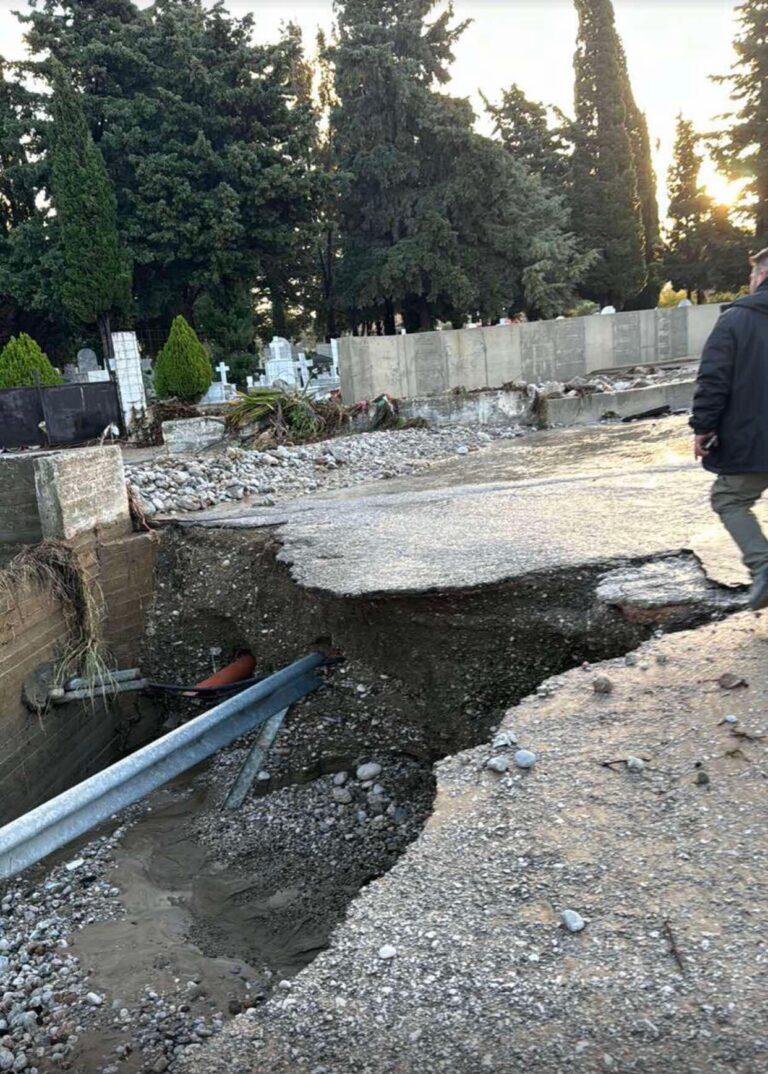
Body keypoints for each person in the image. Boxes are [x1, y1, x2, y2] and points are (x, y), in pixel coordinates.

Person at [691, 247, 768, 608]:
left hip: (752, 439)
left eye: (751, 275)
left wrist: (702, 428)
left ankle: (763, 565)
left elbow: (713, 380)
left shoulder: (736, 320)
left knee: (729, 498)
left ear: (761, 276)